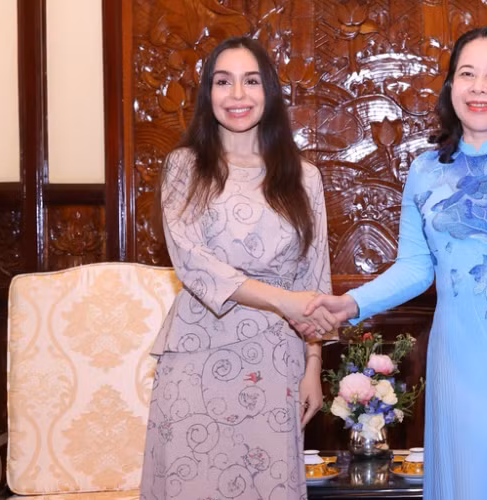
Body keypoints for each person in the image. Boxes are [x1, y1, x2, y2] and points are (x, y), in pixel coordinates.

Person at [297, 25, 487, 499]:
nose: (479, 87)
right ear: (451, 86)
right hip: (459, 357)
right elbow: (416, 269)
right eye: (467, 74)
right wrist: (350, 303)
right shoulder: (424, 171)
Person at [140, 36, 339, 500]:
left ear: (268, 92)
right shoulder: (184, 167)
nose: (237, 95)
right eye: (223, 82)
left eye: (251, 81)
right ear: (208, 94)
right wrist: (283, 300)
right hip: (197, 350)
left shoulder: (304, 176)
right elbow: (192, 264)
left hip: (275, 357)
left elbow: (314, 275)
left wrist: (313, 363)